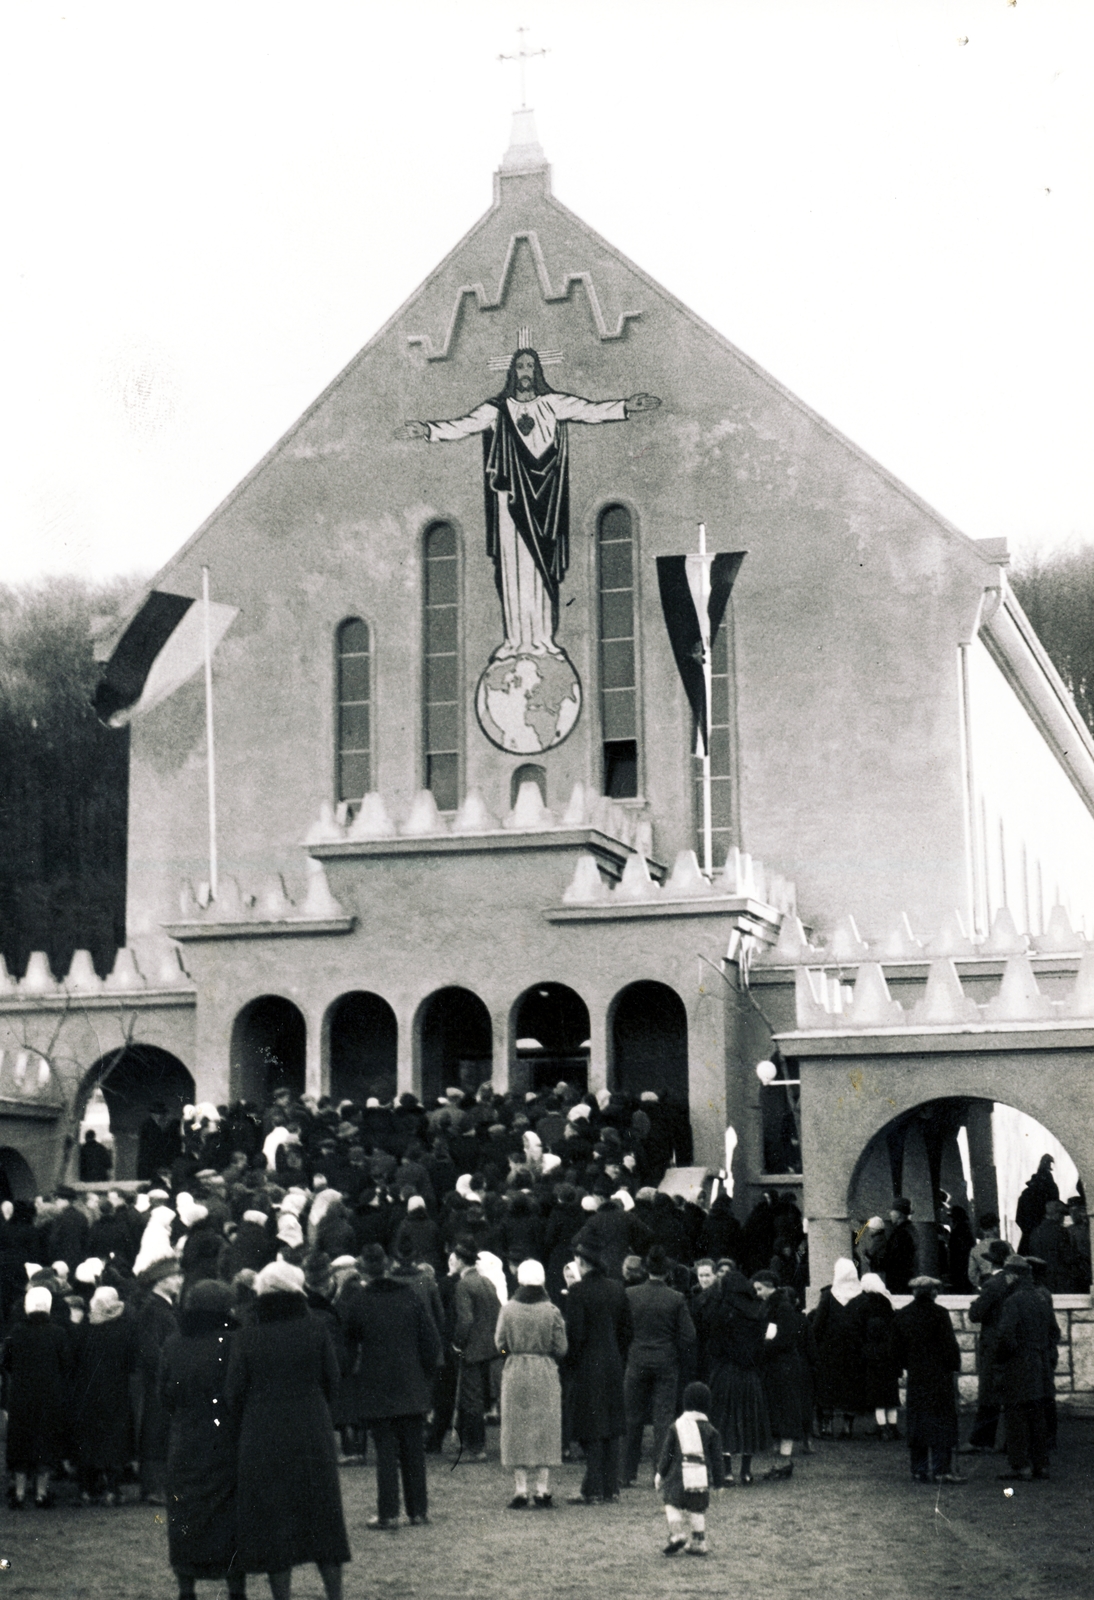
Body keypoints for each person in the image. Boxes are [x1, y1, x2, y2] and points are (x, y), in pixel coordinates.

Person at [401, 348, 660, 658]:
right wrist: (427, 429)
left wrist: (625, 406)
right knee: (511, 568)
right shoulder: (497, 410)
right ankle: (515, 640)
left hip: (545, 501)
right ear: (513, 372)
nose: (525, 371)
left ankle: (542, 639)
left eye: (530, 366)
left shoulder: (551, 404)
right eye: (520, 366)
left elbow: (587, 410)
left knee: (541, 569)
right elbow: (464, 425)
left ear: (537, 371)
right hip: (509, 498)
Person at [224, 1259, 350, 1600]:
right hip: (312, 1427)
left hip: (262, 1432)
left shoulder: (246, 1334)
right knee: (323, 1519)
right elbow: (332, 1381)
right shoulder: (316, 1327)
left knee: (273, 1523)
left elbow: (234, 1392)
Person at [340, 1244, 441, 1530]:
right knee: (413, 1450)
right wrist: (424, 1374)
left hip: (377, 1383)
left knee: (385, 1452)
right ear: (387, 1266)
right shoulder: (409, 1296)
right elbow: (431, 1343)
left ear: (363, 1271)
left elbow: (348, 1345)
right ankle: (418, 1511)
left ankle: (388, 1513)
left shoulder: (359, 1301)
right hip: (411, 1381)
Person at [158, 1280, 246, 1600]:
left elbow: (163, 1394)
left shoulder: (172, 1344)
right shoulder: (234, 1341)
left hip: (184, 1437)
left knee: (184, 1513)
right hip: (226, 1437)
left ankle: (186, 1587)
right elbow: (239, 1390)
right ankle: (236, 1588)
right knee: (229, 1514)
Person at [495, 1257, 568, 1509]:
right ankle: (542, 1488)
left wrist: (511, 1356)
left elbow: (500, 1345)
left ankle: (520, 1489)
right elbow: (562, 1347)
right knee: (545, 1427)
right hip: (544, 1369)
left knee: (516, 1428)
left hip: (515, 1369)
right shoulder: (552, 1311)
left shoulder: (508, 1309)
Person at [563, 1244, 633, 1504]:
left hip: (587, 1365)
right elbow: (627, 1331)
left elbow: (576, 1335)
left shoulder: (577, 1292)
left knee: (590, 1426)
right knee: (611, 1425)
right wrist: (618, 1354)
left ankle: (592, 1487)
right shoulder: (617, 1288)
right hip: (613, 1361)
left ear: (582, 1263)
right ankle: (610, 1486)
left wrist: (571, 1362)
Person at [622, 1244, 696, 1488]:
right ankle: (661, 1473)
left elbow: (622, 1330)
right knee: (663, 1418)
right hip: (665, 1360)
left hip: (637, 1358)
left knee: (632, 1417)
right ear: (667, 1273)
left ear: (646, 1270)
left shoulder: (631, 1295)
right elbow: (688, 1336)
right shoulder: (676, 1298)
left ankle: (627, 1473)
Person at [3, 1284, 72, 1508]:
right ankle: (42, 1494)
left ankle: (20, 1493)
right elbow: (67, 1365)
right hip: (49, 1398)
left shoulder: (16, 1332)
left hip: (21, 1397)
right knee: (45, 1444)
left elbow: (6, 1363)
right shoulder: (59, 1333)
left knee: (21, 1445)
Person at [993, 1254, 1060, 1481]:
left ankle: (1020, 1465)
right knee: (1037, 1416)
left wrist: (1002, 1359)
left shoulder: (1013, 1301)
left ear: (1012, 1275)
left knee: (1016, 1417)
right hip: (1040, 1363)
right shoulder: (1041, 1297)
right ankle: (1040, 1464)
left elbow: (1005, 1336)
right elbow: (1054, 1332)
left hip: (1019, 1365)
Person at [702, 1264, 770, 1484]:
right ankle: (747, 1472)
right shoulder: (758, 1310)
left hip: (725, 1372)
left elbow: (713, 1345)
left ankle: (727, 1472)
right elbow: (762, 1345)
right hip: (749, 1373)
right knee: (749, 1422)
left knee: (725, 1423)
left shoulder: (721, 1310)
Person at [891, 1277, 963, 1485]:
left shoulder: (903, 1315)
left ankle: (919, 1470)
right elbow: (949, 1345)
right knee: (941, 1423)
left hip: (917, 1376)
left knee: (918, 1423)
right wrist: (953, 1366)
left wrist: (907, 1365)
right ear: (933, 1292)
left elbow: (895, 1350)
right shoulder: (940, 1314)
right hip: (939, 1376)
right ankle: (942, 1470)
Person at [72, 1284, 137, 1505]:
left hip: (86, 1392)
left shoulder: (83, 1330)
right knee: (114, 1440)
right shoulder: (123, 1331)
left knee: (87, 1440)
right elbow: (131, 1363)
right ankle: (112, 1489)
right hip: (115, 1391)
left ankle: (86, 1490)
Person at [654, 1381, 725, 1557]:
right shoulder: (712, 1431)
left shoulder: (676, 1427)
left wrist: (660, 1473)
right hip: (700, 1478)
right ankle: (699, 1541)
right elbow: (717, 1459)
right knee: (697, 1509)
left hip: (676, 1479)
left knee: (671, 1504)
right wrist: (719, 1482)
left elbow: (667, 1454)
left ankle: (677, 1533)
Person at [137, 1253, 185, 1504]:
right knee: (156, 1432)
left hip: (163, 1380)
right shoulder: (154, 1309)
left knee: (160, 1431)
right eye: (174, 1276)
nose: (179, 1280)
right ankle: (154, 1488)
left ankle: (158, 1487)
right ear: (160, 1280)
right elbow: (151, 1350)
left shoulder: (161, 1306)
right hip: (159, 1382)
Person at [450, 1240, 502, 1461]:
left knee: (471, 1398)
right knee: (479, 1398)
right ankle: (473, 1443)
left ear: (461, 1261)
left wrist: (457, 1343)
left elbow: (466, 1319)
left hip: (472, 1349)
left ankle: (476, 1447)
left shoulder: (463, 1285)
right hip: (490, 1349)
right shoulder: (487, 1282)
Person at [752, 1271, 807, 1478]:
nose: (758, 1293)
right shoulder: (777, 1305)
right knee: (780, 1408)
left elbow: (784, 1337)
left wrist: (764, 1347)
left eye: (760, 1289)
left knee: (783, 1409)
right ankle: (781, 1456)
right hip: (778, 1364)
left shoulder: (780, 1307)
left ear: (769, 1286)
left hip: (781, 1365)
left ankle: (784, 1456)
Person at [963, 1239, 1015, 1454]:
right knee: (1012, 1394)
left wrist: (976, 1304)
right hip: (1011, 1340)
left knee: (989, 1394)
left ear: (991, 1263)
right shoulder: (1013, 1282)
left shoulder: (992, 1285)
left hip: (993, 1342)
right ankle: (1012, 1441)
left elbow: (976, 1315)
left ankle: (982, 1440)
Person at [811, 1258, 864, 1438]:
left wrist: (814, 1343)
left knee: (827, 1386)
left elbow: (818, 1323)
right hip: (854, 1349)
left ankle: (827, 1425)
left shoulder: (828, 1295)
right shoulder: (862, 1297)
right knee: (851, 1387)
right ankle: (848, 1426)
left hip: (829, 1348)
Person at [854, 1272, 901, 1440]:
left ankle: (881, 1428)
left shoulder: (865, 1303)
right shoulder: (888, 1302)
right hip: (889, 1354)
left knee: (877, 1395)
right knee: (891, 1394)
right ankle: (894, 1427)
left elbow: (859, 1328)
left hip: (873, 1354)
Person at [1015, 1156, 1058, 1254]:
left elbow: (1018, 1218)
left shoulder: (1026, 1193)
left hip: (1027, 1239)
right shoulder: (1051, 1189)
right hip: (1047, 1239)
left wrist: (1028, 1230)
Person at [878, 1198, 918, 1294]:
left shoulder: (901, 1233)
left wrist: (879, 1261)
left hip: (899, 1280)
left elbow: (893, 1257)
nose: (890, 1214)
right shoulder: (910, 1230)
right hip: (907, 1277)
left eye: (892, 1211)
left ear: (899, 1214)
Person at [967, 1213, 1002, 1290]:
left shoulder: (975, 1250)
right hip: (1004, 1284)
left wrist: (980, 1285)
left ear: (982, 1229)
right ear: (995, 1228)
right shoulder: (1005, 1246)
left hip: (985, 1285)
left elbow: (972, 1274)